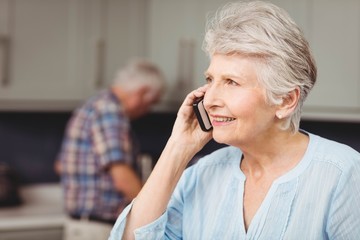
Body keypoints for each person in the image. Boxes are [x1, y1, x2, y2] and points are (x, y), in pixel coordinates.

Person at [108, 1, 360, 239]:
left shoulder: (342, 174)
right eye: (210, 80)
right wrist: (177, 148)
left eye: (232, 82)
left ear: (285, 101)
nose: (209, 100)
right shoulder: (201, 174)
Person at [57, 58, 165, 240]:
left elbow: (60, 165)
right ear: (141, 93)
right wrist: (156, 212)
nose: (148, 110)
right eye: (151, 103)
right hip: (97, 228)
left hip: (82, 225)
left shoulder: (93, 105)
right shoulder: (110, 112)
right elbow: (122, 177)